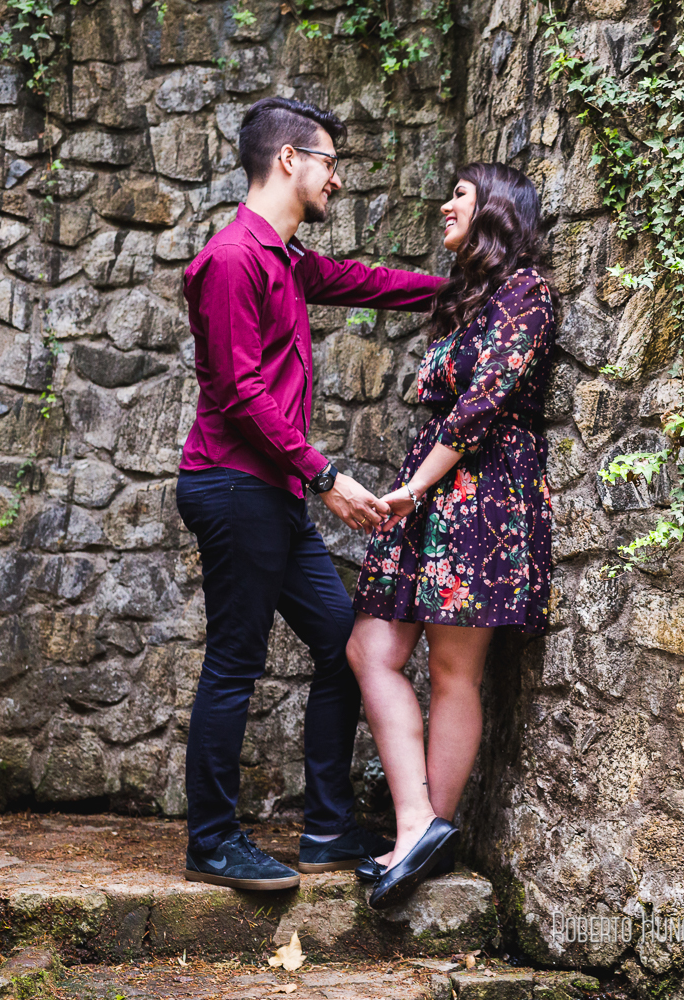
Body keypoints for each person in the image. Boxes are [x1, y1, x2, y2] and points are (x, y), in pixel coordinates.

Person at [177, 97, 446, 890]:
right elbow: (239, 392)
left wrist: (469, 290)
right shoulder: (233, 260)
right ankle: (213, 841)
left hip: (270, 492)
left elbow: (369, 281)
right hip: (234, 487)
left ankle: (327, 828)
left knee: (343, 647)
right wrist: (325, 477)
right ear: (289, 160)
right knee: (233, 662)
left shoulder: (286, 259)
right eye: (329, 160)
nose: (337, 176)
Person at [345, 163, 557, 909]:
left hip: (481, 491)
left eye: (460, 195)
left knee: (452, 674)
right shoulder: (468, 300)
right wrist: (418, 488)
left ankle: (419, 840)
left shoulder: (529, 292)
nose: (445, 204)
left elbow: (481, 405)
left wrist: (413, 486)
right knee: (372, 649)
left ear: (498, 210)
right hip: (435, 489)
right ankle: (418, 824)